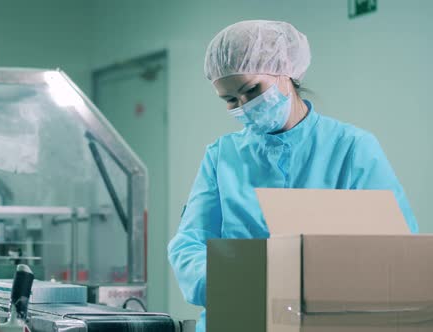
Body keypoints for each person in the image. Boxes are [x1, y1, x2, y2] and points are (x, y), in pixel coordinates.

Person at [167, 20, 418, 332]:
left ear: (285, 71)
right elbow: (190, 244)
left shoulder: (350, 148)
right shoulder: (221, 156)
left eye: (251, 90)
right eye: (230, 100)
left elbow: (396, 253)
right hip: (238, 320)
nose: (244, 107)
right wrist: (234, 284)